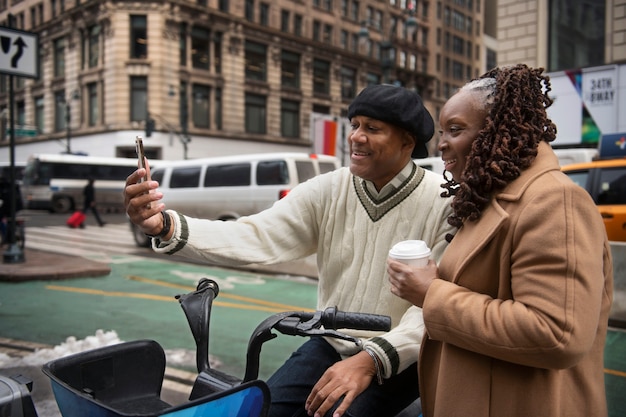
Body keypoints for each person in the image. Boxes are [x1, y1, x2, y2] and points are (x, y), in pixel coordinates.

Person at [124, 84, 456, 417]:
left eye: (373, 128)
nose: (356, 136)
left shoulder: (443, 202)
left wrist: (370, 361)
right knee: (262, 409)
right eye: (354, 125)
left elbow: (433, 307)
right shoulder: (329, 188)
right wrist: (165, 225)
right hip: (331, 342)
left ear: (408, 142)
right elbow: (256, 235)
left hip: (398, 359)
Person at [387, 64, 614, 417]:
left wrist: (431, 294)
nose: (441, 143)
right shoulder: (485, 199)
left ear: (499, 129)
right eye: (442, 131)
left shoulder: (556, 201)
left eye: (456, 129)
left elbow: (557, 333)